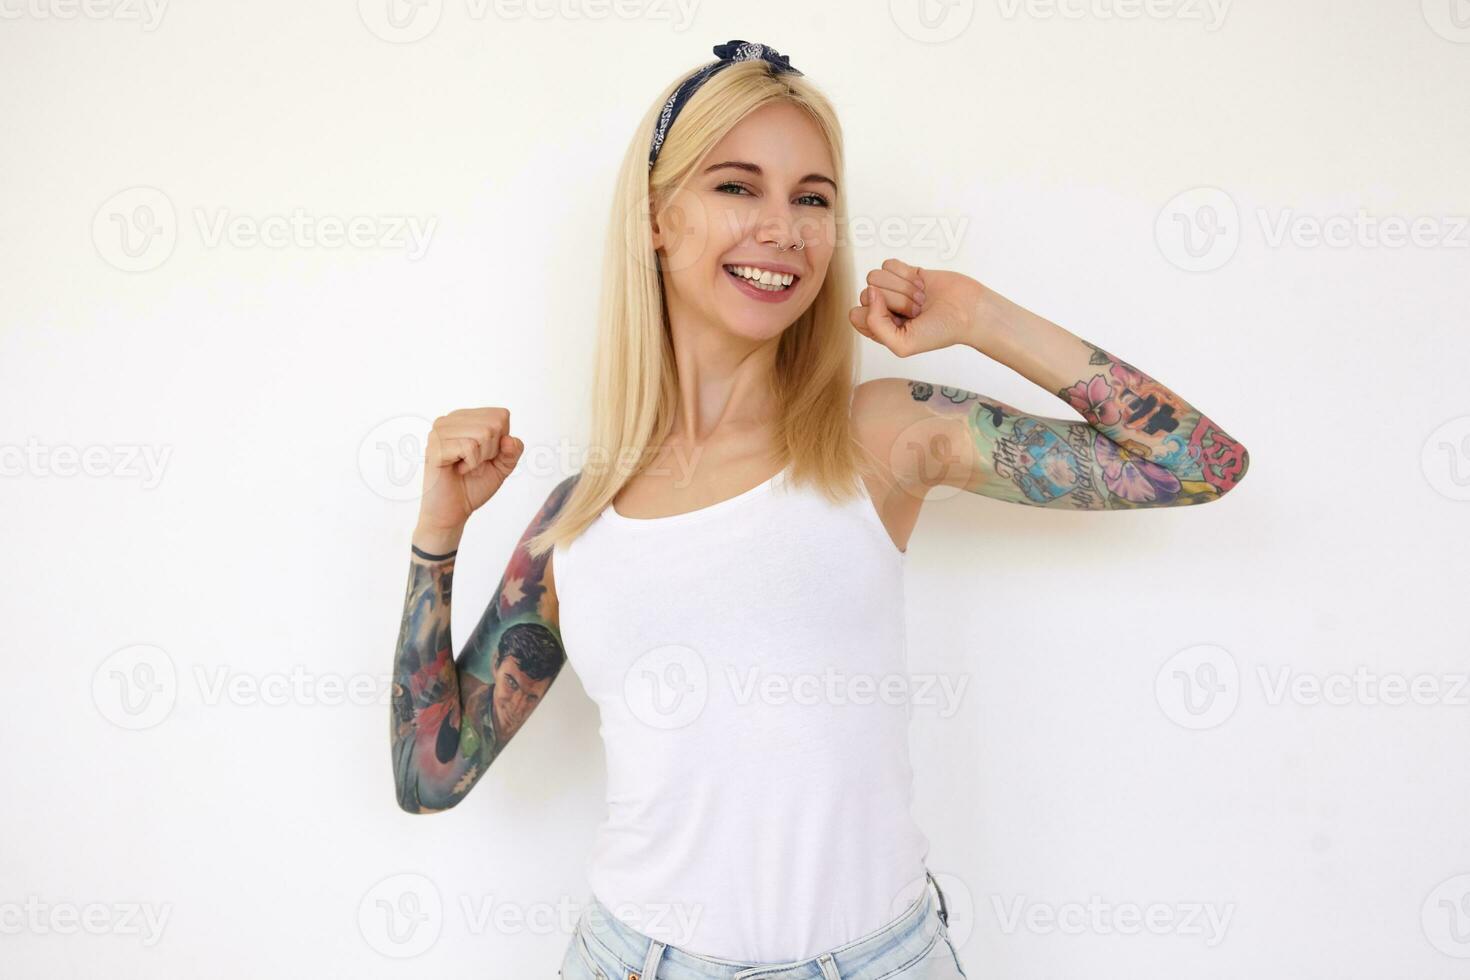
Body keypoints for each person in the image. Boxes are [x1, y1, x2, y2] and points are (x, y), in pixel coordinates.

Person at [389, 39, 1250, 979]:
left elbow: (1199, 464)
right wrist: (439, 533)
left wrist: (978, 315)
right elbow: (429, 776)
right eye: (736, 187)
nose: (784, 227)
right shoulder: (577, 519)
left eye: (812, 197)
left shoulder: (879, 436)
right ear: (656, 221)